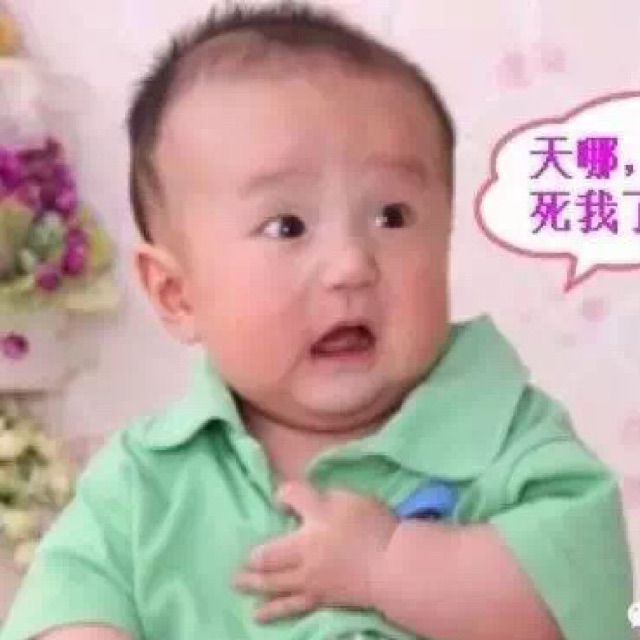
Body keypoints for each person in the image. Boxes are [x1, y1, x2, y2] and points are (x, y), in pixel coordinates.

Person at [0, 2, 634, 639]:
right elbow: (63, 616)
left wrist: (387, 566)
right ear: (177, 294)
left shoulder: (509, 439)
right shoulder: (140, 483)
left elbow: (585, 603)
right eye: (287, 226)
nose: (351, 264)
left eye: (391, 217)